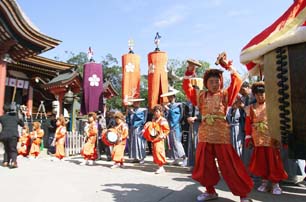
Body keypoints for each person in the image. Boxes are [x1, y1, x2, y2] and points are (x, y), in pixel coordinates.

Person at [182, 53, 253, 202]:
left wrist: (226, 65)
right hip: (205, 134)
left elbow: (237, 80)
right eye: (212, 81)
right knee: (205, 166)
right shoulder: (201, 96)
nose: (215, 84)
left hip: (221, 134)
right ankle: (210, 191)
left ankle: (243, 194)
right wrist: (189, 70)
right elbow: (187, 87)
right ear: (206, 83)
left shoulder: (225, 94)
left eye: (217, 81)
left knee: (230, 166)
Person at [245, 81, 288, 195]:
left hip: (271, 138)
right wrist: (249, 139)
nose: (260, 96)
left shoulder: (274, 106)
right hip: (258, 139)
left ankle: (275, 184)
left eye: (263, 93)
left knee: (274, 161)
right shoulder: (250, 108)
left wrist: (279, 137)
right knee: (261, 162)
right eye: (258, 94)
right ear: (254, 95)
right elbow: (248, 124)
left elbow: (279, 123)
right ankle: (264, 182)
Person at [161, 89, 187, 166]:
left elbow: (176, 116)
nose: (169, 98)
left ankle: (184, 157)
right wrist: (165, 110)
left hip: (175, 126)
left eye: (171, 96)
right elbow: (166, 116)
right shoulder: (169, 105)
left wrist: (168, 109)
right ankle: (176, 159)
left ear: (174, 97)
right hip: (169, 126)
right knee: (171, 143)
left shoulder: (178, 105)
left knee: (177, 143)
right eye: (168, 97)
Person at [143, 105, 170, 174]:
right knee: (155, 152)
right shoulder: (154, 120)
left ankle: (161, 167)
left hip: (160, 138)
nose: (155, 113)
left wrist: (163, 135)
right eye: (155, 111)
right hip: (154, 138)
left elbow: (167, 130)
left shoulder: (163, 120)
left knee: (159, 151)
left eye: (157, 111)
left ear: (161, 112)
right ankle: (159, 166)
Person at [0, 103, 24, 168]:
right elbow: (22, 124)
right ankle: (13, 162)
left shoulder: (2, 117)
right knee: (13, 149)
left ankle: (6, 161)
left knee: (6, 148)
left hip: (4, 135)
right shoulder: (15, 117)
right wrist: (19, 114)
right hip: (13, 135)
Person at [126, 98, 148, 164]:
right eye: (134, 102)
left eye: (137, 102)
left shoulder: (142, 110)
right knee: (133, 143)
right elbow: (128, 119)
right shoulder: (131, 110)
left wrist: (134, 113)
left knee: (140, 142)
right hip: (132, 128)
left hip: (139, 128)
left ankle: (142, 157)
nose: (136, 103)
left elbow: (142, 119)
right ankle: (135, 157)